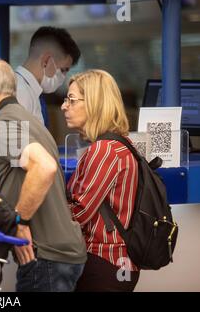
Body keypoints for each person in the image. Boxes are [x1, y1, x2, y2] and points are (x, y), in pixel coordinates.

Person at [0, 57, 86, 292]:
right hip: (58, 255)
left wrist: (20, 220)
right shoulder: (23, 119)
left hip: (46, 258)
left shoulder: (2, 124)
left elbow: (44, 166)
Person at [62, 69, 140, 291]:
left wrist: (44, 213)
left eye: (72, 100)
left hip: (104, 261)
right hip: (116, 263)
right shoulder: (119, 143)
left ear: (95, 103)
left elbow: (79, 212)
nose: (64, 106)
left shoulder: (104, 150)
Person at [16, 26, 81, 125]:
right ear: (46, 61)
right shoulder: (19, 92)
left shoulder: (32, 91)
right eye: (63, 70)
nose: (63, 77)